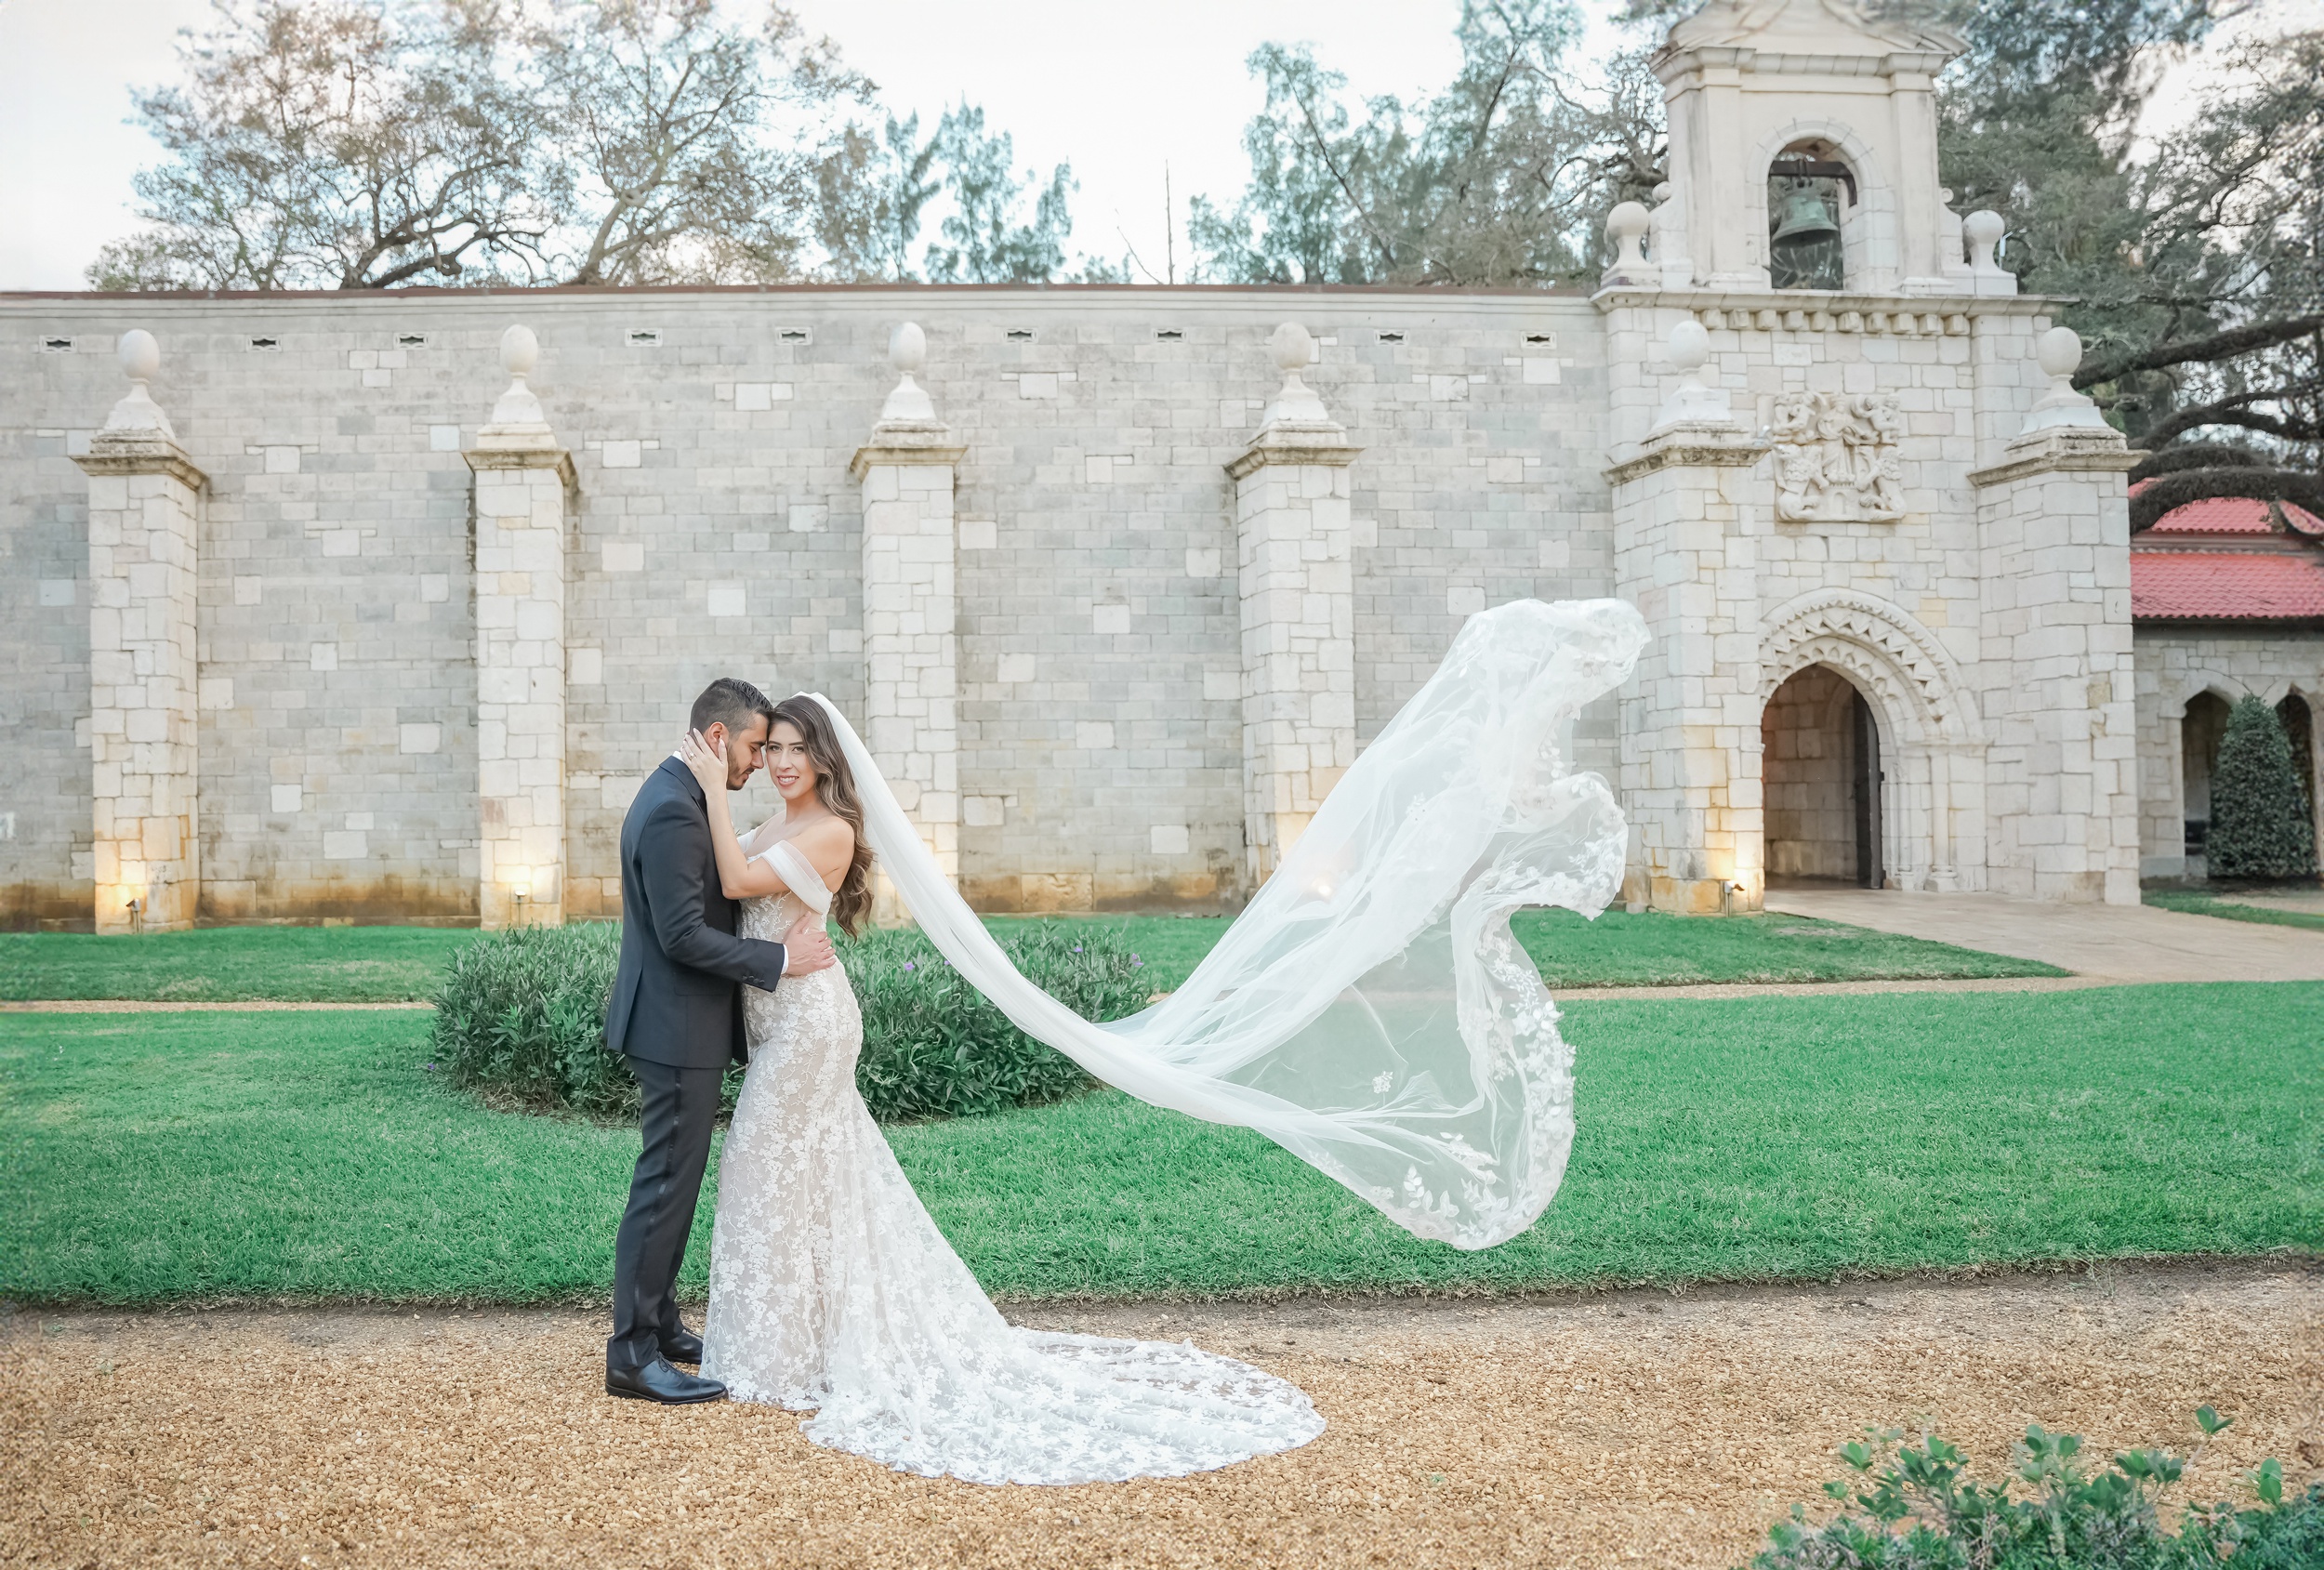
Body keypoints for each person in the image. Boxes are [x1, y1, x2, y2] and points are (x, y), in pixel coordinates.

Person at [674, 694, 1323, 1484]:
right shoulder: (780, 820)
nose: (778, 762)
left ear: (824, 761)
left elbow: (738, 878)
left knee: (758, 1162)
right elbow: (726, 871)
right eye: (770, 747)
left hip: (811, 1024)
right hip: (778, 1016)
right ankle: (792, 1348)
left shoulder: (831, 829)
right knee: (805, 1178)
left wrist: (710, 785)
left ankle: (771, 1358)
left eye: (794, 750)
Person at [602, 678, 837, 1405]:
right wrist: (777, 962)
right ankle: (632, 1353)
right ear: (716, 739)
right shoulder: (675, 809)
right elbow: (681, 935)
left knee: (675, 1183)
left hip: (682, 1024)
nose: (759, 762)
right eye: (753, 746)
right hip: (676, 1028)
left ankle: (663, 1323)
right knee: (664, 1187)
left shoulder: (683, 795)